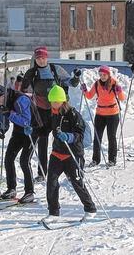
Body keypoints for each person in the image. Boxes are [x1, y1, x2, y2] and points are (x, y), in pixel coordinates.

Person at [21, 46, 80, 182]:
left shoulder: (55, 70)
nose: (41, 61)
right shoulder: (33, 72)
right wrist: (23, 79)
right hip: (40, 111)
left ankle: (70, 170)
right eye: (38, 59)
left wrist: (76, 77)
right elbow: (23, 89)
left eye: (43, 58)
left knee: (61, 140)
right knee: (42, 141)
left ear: (46, 58)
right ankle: (42, 172)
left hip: (57, 110)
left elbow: (71, 83)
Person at [41, 85, 96, 223]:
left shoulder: (72, 114)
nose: (54, 104)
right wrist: (33, 131)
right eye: (52, 101)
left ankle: (90, 209)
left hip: (73, 154)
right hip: (57, 153)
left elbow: (80, 134)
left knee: (77, 182)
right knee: (51, 182)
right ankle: (53, 212)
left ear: (63, 101)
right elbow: (45, 128)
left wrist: (69, 136)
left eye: (56, 101)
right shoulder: (52, 113)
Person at [0, 83, 35, 203]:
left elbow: (26, 121)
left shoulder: (21, 99)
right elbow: (5, 117)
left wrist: (10, 114)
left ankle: (30, 191)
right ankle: (11, 188)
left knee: (24, 161)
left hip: (31, 131)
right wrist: (2, 128)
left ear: (2, 95)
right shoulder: (3, 102)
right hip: (18, 131)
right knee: (8, 158)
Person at [80, 65, 125, 167]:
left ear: (108, 74)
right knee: (97, 138)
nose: (102, 76)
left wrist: (119, 91)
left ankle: (112, 159)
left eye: (104, 74)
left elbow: (122, 98)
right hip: (100, 114)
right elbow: (89, 96)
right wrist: (85, 90)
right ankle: (96, 160)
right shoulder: (97, 84)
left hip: (112, 114)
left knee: (111, 137)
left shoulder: (114, 83)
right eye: (100, 75)